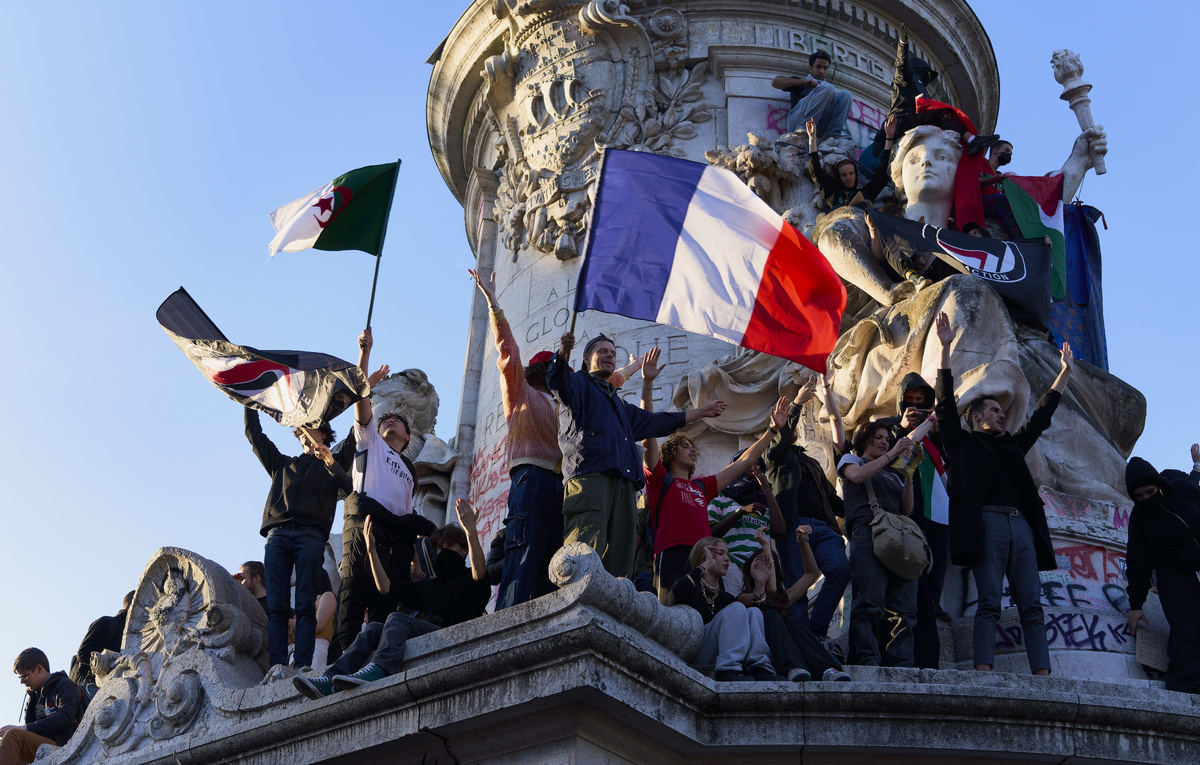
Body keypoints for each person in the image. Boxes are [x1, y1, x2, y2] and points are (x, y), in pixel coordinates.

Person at [468, 270, 643, 609]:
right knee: (525, 552)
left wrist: (633, 368)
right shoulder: (522, 394)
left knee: (553, 559)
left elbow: (605, 387)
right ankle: (507, 622)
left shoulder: (567, 401)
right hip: (531, 478)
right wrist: (494, 305)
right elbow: (508, 354)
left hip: (563, 484)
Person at [935, 310, 1072, 675]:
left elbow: (1039, 419)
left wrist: (1063, 375)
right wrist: (945, 351)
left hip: (1021, 529)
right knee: (989, 603)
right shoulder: (962, 445)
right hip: (987, 526)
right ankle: (983, 671)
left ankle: (1043, 674)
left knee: (1032, 604)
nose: (1001, 415)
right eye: (994, 410)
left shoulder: (1012, 446)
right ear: (977, 416)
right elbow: (945, 406)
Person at [548, 331, 725, 578]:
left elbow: (656, 422)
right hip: (590, 479)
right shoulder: (577, 384)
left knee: (619, 562)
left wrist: (702, 411)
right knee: (584, 553)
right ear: (586, 358)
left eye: (613, 353)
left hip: (624, 487)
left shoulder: (619, 405)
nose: (609, 356)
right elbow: (557, 380)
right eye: (603, 352)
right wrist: (562, 354)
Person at [294, 499, 491, 699]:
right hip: (425, 630)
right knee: (373, 628)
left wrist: (470, 531)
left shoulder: (470, 577)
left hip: (449, 632)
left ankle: (381, 668)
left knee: (397, 618)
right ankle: (330, 679)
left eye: (450, 545)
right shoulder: (429, 585)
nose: (442, 551)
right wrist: (371, 551)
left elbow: (479, 572)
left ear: (464, 550)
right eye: (439, 547)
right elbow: (386, 587)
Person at [642, 344, 786, 603]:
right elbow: (647, 434)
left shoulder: (701, 487)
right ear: (671, 454)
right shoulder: (660, 480)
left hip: (703, 557)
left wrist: (772, 430)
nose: (692, 451)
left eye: (692, 447)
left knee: (702, 613)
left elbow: (744, 462)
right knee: (670, 609)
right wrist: (647, 385)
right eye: (685, 446)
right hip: (671, 551)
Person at [336, 327, 437, 652]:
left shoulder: (409, 470)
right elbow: (360, 397)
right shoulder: (370, 444)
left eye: (399, 423)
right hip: (364, 526)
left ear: (408, 437)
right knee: (353, 596)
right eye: (384, 421)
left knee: (384, 601)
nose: (390, 422)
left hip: (395, 542)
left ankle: (369, 659)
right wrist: (364, 354)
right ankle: (342, 658)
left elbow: (407, 511)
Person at [243, 406, 354, 669]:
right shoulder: (282, 464)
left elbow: (357, 435)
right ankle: (278, 666)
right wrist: (250, 401)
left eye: (311, 424)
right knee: (277, 607)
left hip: (311, 537)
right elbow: (254, 435)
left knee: (305, 603)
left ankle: (303, 665)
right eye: (301, 427)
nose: (304, 429)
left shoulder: (333, 463)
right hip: (277, 535)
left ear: (325, 433)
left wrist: (364, 393)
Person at [764, 374, 849, 638]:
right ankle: (802, 640)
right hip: (795, 528)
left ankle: (815, 632)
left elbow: (831, 499)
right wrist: (798, 403)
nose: (793, 429)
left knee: (839, 569)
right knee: (797, 585)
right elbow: (781, 437)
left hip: (824, 528)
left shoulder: (809, 462)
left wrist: (863, 511)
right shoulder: (774, 457)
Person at [839, 421, 917, 666]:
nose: (885, 442)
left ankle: (902, 662)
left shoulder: (893, 473)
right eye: (880, 438)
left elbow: (907, 508)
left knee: (904, 608)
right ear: (865, 439)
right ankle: (867, 660)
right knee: (869, 602)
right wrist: (894, 454)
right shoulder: (851, 460)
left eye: (887, 439)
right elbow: (859, 477)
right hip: (867, 532)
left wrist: (909, 473)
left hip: (897, 537)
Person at [1124, 446, 1200, 694]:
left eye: (1150, 492)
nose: (1146, 499)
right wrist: (1136, 605)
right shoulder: (1139, 518)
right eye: (1140, 496)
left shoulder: (1184, 490)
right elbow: (1137, 562)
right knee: (1186, 627)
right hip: (1173, 574)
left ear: (1160, 485)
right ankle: (1187, 687)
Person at [739, 528, 852, 683]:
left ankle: (826, 669)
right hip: (760, 654)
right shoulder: (741, 599)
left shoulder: (782, 598)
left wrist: (803, 542)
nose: (764, 563)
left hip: (786, 646)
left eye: (768, 561)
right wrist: (765, 546)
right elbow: (768, 593)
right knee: (772, 614)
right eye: (758, 560)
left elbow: (811, 574)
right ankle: (792, 668)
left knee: (792, 620)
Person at [671, 538, 783, 682]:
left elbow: (757, 615)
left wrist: (760, 584)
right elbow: (677, 593)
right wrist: (705, 565)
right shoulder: (692, 586)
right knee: (737, 607)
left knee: (752, 612)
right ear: (706, 556)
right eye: (721, 553)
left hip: (717, 653)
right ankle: (727, 670)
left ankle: (759, 667)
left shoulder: (724, 597)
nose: (727, 559)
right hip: (698, 653)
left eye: (728, 555)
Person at [707, 464, 785, 596]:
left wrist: (766, 488)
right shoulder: (721, 497)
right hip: (731, 568)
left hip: (761, 571)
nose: (755, 468)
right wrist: (740, 512)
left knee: (757, 614)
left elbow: (779, 531)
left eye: (759, 465)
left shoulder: (766, 504)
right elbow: (710, 535)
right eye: (749, 464)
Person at [2, 649, 82, 765]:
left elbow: (66, 717)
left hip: (64, 744)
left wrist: (24, 728)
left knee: (13, 736)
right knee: (5, 745)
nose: (22, 682)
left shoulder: (65, 685)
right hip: (42, 745)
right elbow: (30, 731)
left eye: (24, 676)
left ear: (39, 669)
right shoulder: (34, 697)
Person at [806, 115, 896, 211]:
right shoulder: (832, 194)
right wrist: (812, 138)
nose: (848, 178)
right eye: (844, 175)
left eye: (851, 173)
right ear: (838, 177)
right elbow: (815, 171)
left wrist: (889, 138)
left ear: (856, 174)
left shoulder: (864, 195)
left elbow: (881, 176)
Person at [68, 590, 134, 700]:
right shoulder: (107, 623)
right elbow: (83, 653)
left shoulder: (134, 633)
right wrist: (110, 660)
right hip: (92, 684)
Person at [772, 50, 852, 139]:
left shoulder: (827, 89)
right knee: (828, 88)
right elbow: (775, 82)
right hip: (796, 122)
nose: (821, 71)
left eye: (825, 68)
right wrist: (802, 82)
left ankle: (832, 135)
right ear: (810, 68)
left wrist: (821, 91)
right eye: (818, 67)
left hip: (818, 126)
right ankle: (803, 129)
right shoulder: (802, 83)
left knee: (846, 95)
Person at [310, 570, 337, 672]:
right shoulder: (306, 604)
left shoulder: (327, 596)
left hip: (317, 647)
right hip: (298, 651)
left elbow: (319, 625)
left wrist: (290, 622)